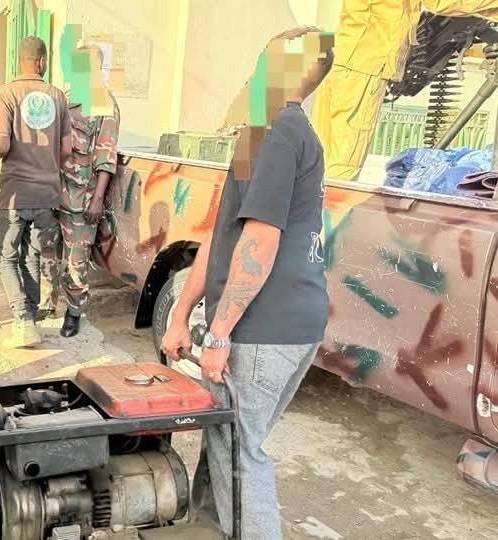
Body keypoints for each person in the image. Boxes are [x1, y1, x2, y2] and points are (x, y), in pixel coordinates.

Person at [160, 29, 334, 539]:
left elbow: (259, 240)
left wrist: (218, 334)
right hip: (296, 324)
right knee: (227, 440)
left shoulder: (274, 130)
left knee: (240, 454)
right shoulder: (283, 131)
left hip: (264, 329)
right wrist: (179, 314)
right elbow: (222, 235)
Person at [310, 0, 498, 181]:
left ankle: (314, 203)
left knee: (319, 157)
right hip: (366, 63)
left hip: (342, 56)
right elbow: (440, 2)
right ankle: (333, 204)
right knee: (344, 162)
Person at [0, 36, 71, 348]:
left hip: (15, 193)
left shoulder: (6, 93)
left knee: (6, 257)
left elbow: (2, 144)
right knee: (32, 255)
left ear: (20, 61)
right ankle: (30, 320)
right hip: (47, 194)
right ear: (42, 62)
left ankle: (22, 320)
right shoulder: (58, 96)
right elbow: (67, 149)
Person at [40, 50, 121, 338]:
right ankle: (46, 303)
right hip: (54, 193)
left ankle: (73, 312)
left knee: (76, 261)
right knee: (47, 251)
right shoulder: (64, 97)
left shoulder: (104, 104)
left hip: (82, 198)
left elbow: (106, 156)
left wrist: (97, 198)